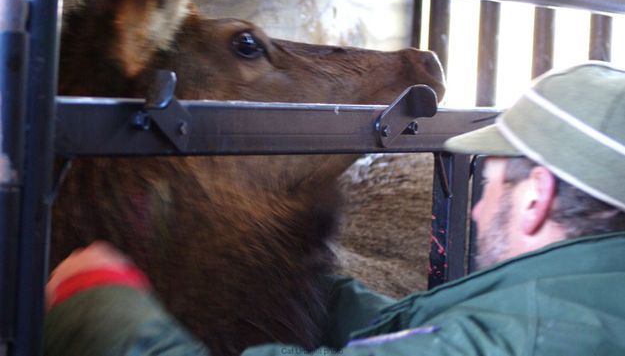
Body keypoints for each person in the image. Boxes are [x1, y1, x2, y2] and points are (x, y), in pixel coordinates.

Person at [45, 62, 625, 355]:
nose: (473, 211)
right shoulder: (590, 304)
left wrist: (101, 310)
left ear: (535, 197)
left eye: (489, 183)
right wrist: (306, 288)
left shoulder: (528, 342)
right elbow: (429, 335)